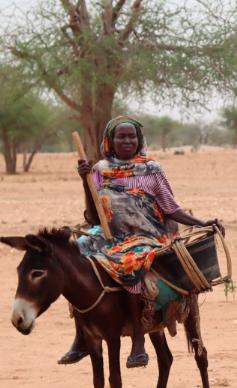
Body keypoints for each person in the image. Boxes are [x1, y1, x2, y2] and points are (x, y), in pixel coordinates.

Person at [73, 116, 223, 367]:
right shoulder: (99, 170)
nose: (127, 140)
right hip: (110, 236)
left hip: (146, 236)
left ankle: (139, 341)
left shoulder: (152, 169)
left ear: (139, 139)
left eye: (132, 136)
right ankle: (81, 336)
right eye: (121, 136)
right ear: (110, 140)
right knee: (75, 254)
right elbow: (92, 215)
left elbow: (171, 208)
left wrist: (202, 222)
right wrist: (85, 182)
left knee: (130, 262)